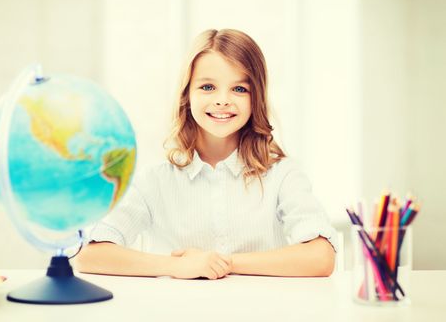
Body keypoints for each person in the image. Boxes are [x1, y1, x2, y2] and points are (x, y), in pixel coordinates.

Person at [75, 29, 337, 279]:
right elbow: (90, 255)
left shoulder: (282, 174)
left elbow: (321, 257)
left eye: (239, 89)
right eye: (208, 87)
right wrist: (178, 266)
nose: (222, 100)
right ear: (187, 95)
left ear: (255, 98)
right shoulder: (154, 180)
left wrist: (225, 263)